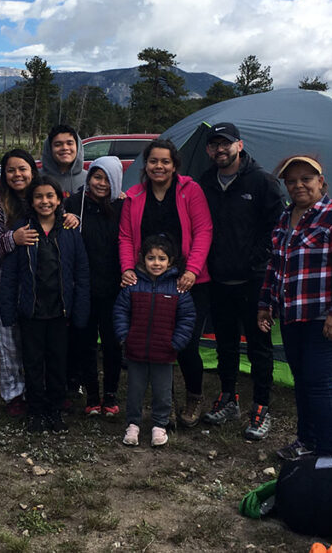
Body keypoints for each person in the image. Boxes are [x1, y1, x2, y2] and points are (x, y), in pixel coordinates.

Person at [256, 155, 332, 460]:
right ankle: (306, 441)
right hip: (293, 316)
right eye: (291, 181)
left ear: (321, 182)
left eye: (306, 179)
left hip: (326, 319)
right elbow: (275, 266)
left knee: (319, 382)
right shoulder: (285, 218)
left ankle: (329, 453)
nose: (298, 185)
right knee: (302, 382)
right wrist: (266, 304)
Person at [199, 123, 284, 440]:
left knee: (260, 347)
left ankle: (261, 406)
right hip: (219, 278)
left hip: (254, 280)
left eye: (226, 144)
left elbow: (278, 227)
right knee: (226, 344)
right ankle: (228, 397)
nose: (219, 149)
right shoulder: (206, 182)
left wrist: (257, 258)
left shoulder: (262, 182)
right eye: (214, 145)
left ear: (240, 145)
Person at [119, 139, 213, 427]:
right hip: (148, 280)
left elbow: (203, 230)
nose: (159, 166)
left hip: (188, 281)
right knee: (158, 342)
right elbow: (124, 237)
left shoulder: (190, 190)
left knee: (186, 344)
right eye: (153, 161)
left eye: (165, 161)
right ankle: (166, 407)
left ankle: (193, 399)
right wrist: (127, 269)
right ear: (145, 164)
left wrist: (193, 270)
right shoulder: (134, 196)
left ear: (174, 165)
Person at [0, 176, 90, 433]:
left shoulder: (70, 230)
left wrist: (80, 310)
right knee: (33, 362)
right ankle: (36, 410)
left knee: (57, 362)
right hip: (31, 311)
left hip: (61, 312)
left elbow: (81, 271)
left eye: (50, 196)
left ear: (59, 199)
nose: (45, 201)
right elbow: (10, 275)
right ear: (31, 201)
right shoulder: (22, 230)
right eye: (38, 196)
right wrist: (8, 310)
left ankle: (55, 409)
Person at [114, 235, 196, 447]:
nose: (156, 263)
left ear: (170, 261)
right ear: (143, 259)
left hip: (165, 351)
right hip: (136, 350)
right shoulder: (132, 284)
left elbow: (187, 318)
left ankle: (159, 424)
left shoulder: (179, 288)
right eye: (151, 258)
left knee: (162, 391)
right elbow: (121, 311)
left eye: (161, 258)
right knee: (135, 389)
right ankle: (133, 424)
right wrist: (125, 336)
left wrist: (176, 343)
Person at [65, 156, 125, 416]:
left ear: (116, 181)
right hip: (84, 288)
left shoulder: (124, 206)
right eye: (97, 177)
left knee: (112, 343)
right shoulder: (75, 204)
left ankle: (110, 394)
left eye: (107, 179)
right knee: (85, 342)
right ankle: (91, 395)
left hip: (114, 289)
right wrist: (65, 217)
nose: (101, 184)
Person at [0, 149, 38, 416]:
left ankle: (36, 389)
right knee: (9, 345)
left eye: (22, 169)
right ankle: (14, 395)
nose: (17, 175)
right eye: (11, 170)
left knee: (34, 343)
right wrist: (12, 239)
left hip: (39, 287)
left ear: (32, 171)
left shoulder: (43, 197)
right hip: (4, 287)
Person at [40, 124, 86, 196]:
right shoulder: (37, 178)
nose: (65, 148)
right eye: (58, 144)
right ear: (49, 148)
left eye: (69, 143)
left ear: (77, 147)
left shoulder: (88, 180)